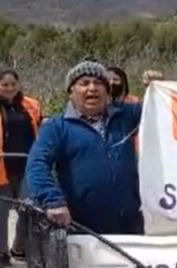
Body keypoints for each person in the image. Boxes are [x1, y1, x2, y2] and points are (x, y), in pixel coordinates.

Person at [27, 60, 143, 235]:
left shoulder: (126, 116)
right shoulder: (56, 127)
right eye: (84, 83)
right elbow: (37, 164)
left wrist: (159, 86)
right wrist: (52, 200)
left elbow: (164, 108)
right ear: (71, 92)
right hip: (81, 227)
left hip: (131, 225)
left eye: (98, 83)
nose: (92, 88)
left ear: (107, 91)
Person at [0, 70, 40, 268]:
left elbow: (40, 129)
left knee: (29, 208)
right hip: (2, 168)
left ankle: (20, 247)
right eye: (4, 84)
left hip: (27, 165)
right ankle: (1, 254)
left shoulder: (30, 105)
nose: (9, 88)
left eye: (12, 84)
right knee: (1, 213)